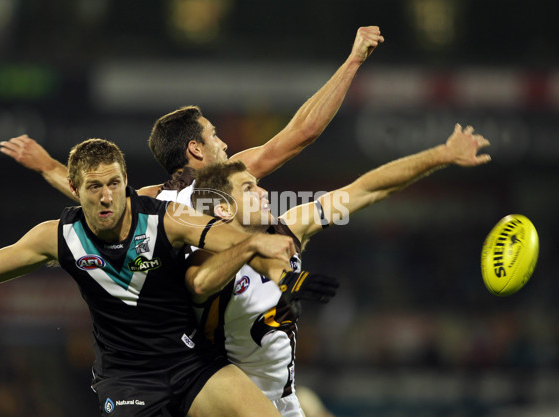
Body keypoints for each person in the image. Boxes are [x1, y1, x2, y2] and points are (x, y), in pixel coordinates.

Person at [0, 138, 339, 417]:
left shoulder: (163, 219)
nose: (107, 196)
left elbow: (219, 234)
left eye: (114, 184)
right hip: (128, 383)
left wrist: (264, 249)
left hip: (191, 366)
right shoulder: (58, 237)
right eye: (94, 187)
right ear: (76, 190)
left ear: (126, 182)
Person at [186, 124, 491, 416]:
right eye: (249, 188)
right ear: (223, 208)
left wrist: (441, 154)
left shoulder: (289, 229)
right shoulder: (204, 257)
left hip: (283, 401)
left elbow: (367, 189)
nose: (264, 192)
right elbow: (200, 283)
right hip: (228, 404)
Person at [0, 26, 385, 203]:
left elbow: (96, 196)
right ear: (196, 149)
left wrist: (46, 163)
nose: (226, 143)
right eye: (215, 136)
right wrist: (352, 61)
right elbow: (302, 132)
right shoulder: (223, 179)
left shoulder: (151, 201)